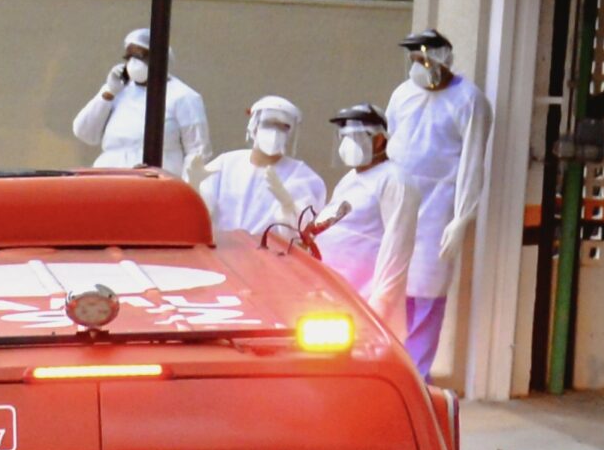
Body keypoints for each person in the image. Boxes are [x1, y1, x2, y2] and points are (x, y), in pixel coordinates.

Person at [385, 28, 492, 379]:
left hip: (439, 203)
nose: (420, 65)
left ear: (443, 57)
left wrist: (462, 217)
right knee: (392, 280)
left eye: (425, 57)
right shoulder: (403, 93)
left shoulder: (469, 100)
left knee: (427, 285)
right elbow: (392, 138)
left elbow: (473, 161)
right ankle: (391, 364)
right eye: (414, 59)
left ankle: (417, 372)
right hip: (399, 200)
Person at [315, 103, 421, 341]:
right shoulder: (350, 178)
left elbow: (397, 248)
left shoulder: (395, 181)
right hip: (335, 298)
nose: (347, 143)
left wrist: (378, 309)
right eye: (344, 137)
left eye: (355, 137)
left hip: (367, 306)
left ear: (379, 141)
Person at [71, 27, 209, 178]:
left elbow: (198, 151)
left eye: (140, 56)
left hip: (156, 183)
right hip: (110, 179)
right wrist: (108, 93)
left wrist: (184, 188)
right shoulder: (118, 89)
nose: (133, 63)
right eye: (129, 57)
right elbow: (84, 133)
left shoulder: (183, 96)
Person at [198, 95, 327, 236]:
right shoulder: (226, 164)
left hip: (270, 254)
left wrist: (288, 205)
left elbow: (304, 232)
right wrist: (193, 185)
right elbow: (200, 209)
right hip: (225, 250)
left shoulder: (302, 177)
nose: (275, 133)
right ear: (254, 127)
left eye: (283, 127)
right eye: (268, 124)